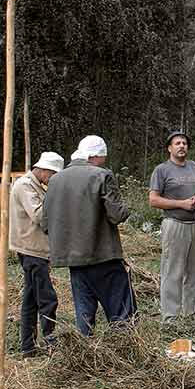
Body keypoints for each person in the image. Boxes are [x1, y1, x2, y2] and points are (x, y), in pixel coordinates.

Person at [42, 135, 135, 336]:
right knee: (122, 312)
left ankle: (83, 357)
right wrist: (127, 208)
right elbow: (117, 215)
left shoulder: (55, 180)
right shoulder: (102, 175)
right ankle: (126, 352)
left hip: (74, 261)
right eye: (103, 158)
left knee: (84, 315)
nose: (104, 162)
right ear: (95, 156)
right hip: (103, 256)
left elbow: (45, 223)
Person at [149, 130, 195, 323]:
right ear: (169, 148)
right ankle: (170, 316)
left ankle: (189, 313)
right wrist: (181, 204)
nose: (181, 146)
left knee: (194, 271)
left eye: (184, 143)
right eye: (177, 143)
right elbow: (154, 200)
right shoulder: (162, 170)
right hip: (174, 224)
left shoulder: (194, 167)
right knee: (172, 271)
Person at [9, 152, 64, 357]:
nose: (53, 179)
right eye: (52, 175)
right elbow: (40, 216)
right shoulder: (25, 186)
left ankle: (28, 347)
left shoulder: (35, 185)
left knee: (31, 299)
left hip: (35, 249)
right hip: (30, 249)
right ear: (43, 170)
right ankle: (51, 342)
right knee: (47, 298)